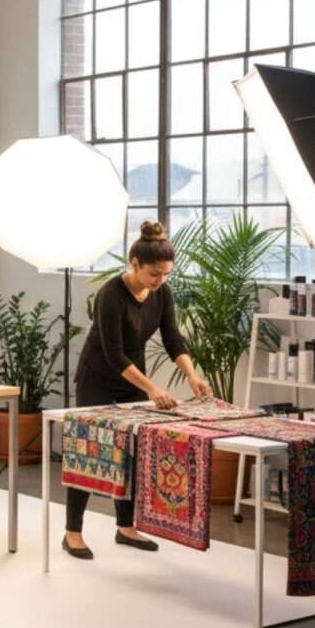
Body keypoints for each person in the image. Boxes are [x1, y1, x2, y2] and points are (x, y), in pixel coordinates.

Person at [63, 221, 211, 560]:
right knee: (87, 451)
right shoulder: (110, 295)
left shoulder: (162, 293)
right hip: (98, 378)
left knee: (132, 452)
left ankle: (126, 527)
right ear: (135, 264)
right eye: (154, 274)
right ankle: (72, 533)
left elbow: (173, 338)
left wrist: (192, 376)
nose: (160, 280)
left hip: (133, 379)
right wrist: (154, 389)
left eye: (166, 274)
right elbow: (114, 354)